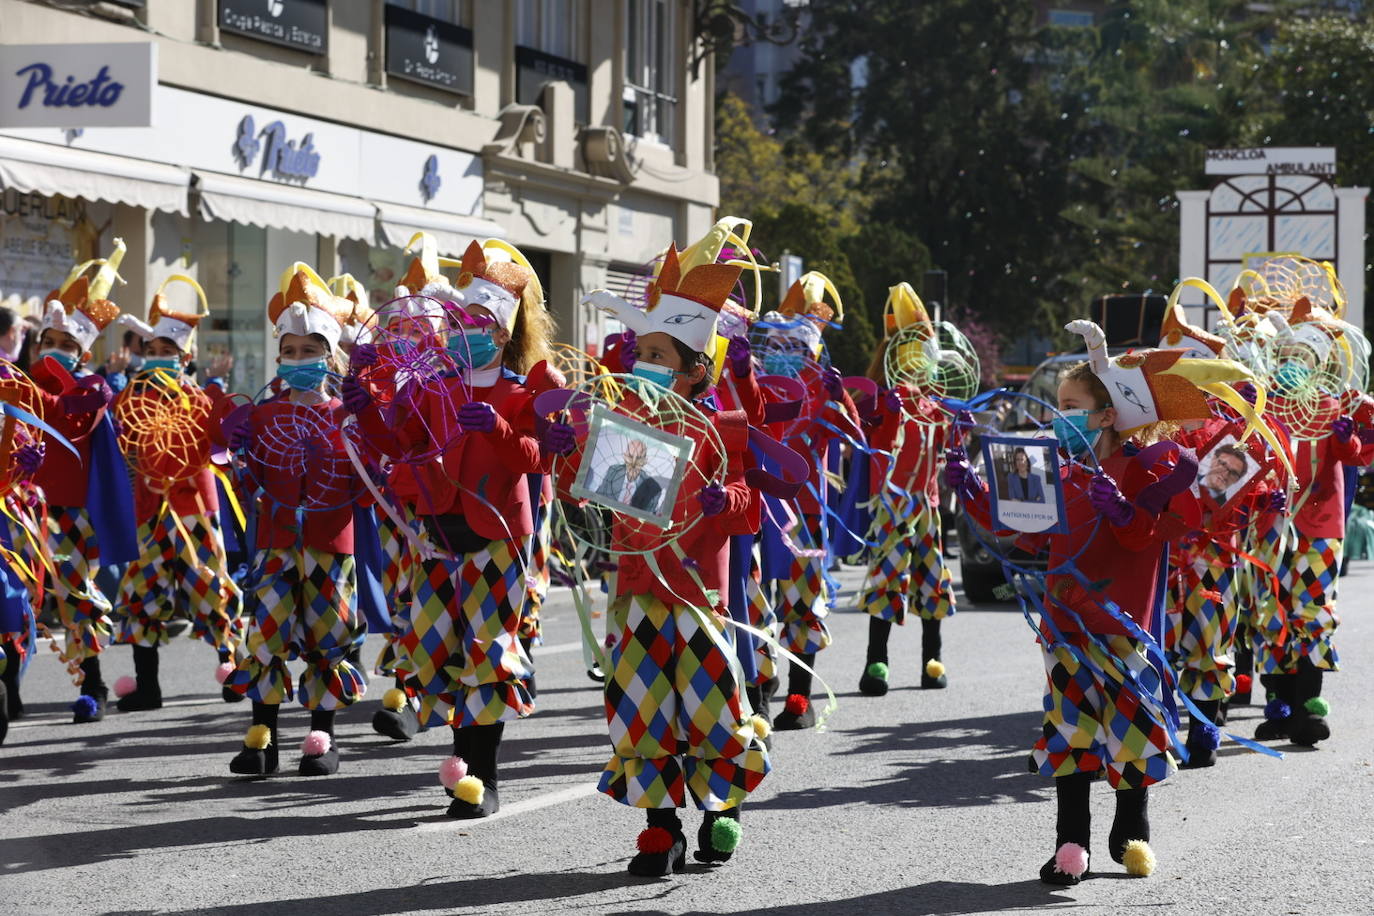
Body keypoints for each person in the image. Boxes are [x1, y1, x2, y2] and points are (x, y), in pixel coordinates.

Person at [949, 319, 1241, 885]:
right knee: (1072, 733)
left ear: (1107, 415)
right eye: (1057, 405)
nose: (1059, 417)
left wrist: (1124, 510)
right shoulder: (1062, 472)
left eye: (1071, 405)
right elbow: (1028, 533)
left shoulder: (1148, 466)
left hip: (1125, 628)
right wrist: (975, 493)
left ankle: (1132, 830)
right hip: (1065, 629)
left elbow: (1152, 536)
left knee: (1131, 729)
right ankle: (1070, 844)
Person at [559, 245, 770, 876]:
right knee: (643, 712)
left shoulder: (719, 429)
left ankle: (719, 812)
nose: (645, 365)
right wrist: (561, 450)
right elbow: (587, 491)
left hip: (697, 597)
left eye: (660, 356)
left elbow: (748, 507)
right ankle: (660, 829)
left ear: (695, 369)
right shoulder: (623, 422)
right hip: (636, 591)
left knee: (710, 708)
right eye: (641, 353)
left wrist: (722, 496)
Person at [346, 238, 557, 817]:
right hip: (435, 538)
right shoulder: (430, 386)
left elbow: (538, 460)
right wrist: (363, 403)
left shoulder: (520, 393)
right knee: (437, 652)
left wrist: (497, 427)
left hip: (496, 542)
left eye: (482, 323)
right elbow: (397, 444)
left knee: (486, 658)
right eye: (461, 320)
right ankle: (462, 766)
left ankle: (480, 779)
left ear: (505, 334)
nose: (467, 331)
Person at [219, 264, 368, 777]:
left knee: (329, 635)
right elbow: (249, 489)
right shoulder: (261, 416)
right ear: (278, 356)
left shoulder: (349, 416)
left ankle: (322, 738)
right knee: (266, 635)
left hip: (333, 542)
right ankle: (262, 739)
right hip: (275, 541)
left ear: (330, 356)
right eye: (291, 352)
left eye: (311, 351)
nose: (299, 360)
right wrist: (239, 460)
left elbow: (368, 490)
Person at [107, 277, 242, 712]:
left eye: (168, 352)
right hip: (150, 512)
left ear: (185, 358)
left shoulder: (200, 398)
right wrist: (113, 379)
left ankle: (232, 673)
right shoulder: (134, 398)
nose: (159, 358)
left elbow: (222, 438)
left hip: (196, 511)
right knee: (142, 594)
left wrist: (218, 388)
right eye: (154, 351)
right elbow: (117, 437)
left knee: (211, 589)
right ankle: (148, 687)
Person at [27, 240, 138, 723]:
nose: (56, 351)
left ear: (84, 351)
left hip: (70, 514)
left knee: (75, 596)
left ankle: (91, 681)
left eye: (68, 345)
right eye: (50, 341)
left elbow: (71, 411)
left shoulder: (94, 388)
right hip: (20, 510)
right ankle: (9, 688)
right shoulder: (19, 381)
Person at [857, 283, 957, 696]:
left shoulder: (939, 409)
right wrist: (887, 411)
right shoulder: (883, 401)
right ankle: (875, 662)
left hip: (928, 508)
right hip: (892, 507)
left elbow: (947, 457)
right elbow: (868, 439)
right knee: (886, 580)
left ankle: (931, 662)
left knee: (931, 582)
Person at [595, 437, 663, 513]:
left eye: (638, 458)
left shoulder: (653, 489)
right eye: (630, 457)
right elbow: (597, 497)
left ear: (645, 460)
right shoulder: (612, 471)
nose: (633, 463)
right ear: (624, 456)